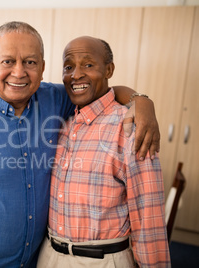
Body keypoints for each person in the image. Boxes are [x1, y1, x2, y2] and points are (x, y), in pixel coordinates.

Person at [0, 21, 160, 268]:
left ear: (43, 68)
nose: (19, 72)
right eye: (7, 61)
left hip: (37, 261)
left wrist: (141, 102)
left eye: (30, 62)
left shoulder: (56, 100)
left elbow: (101, 90)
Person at [36, 36, 170, 267]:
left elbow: (148, 219)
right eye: (69, 66)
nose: (76, 74)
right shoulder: (62, 121)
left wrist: (142, 101)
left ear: (109, 69)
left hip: (103, 260)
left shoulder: (131, 126)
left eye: (88, 65)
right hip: (49, 255)